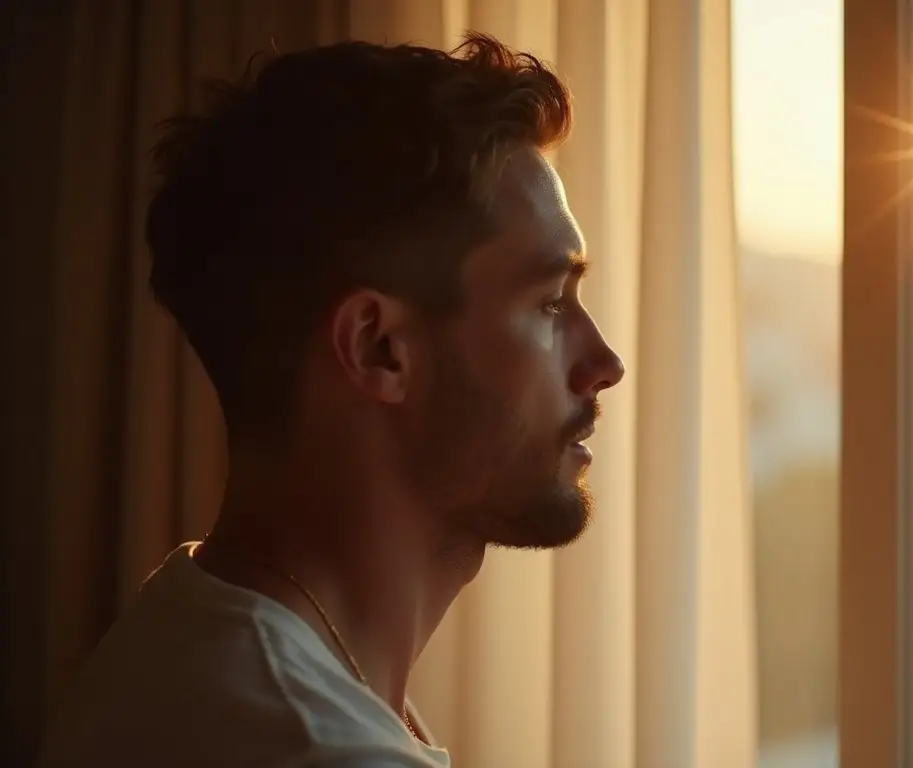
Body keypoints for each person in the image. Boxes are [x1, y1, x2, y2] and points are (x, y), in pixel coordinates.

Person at [41, 32, 624, 768]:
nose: (604, 364)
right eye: (548, 304)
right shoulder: (313, 745)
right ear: (378, 348)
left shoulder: (191, 634)